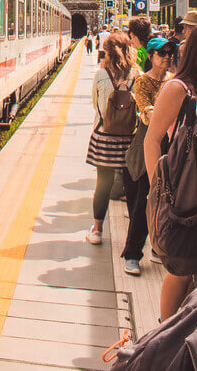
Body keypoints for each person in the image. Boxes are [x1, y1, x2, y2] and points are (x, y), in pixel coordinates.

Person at [144, 23, 197, 320]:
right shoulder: (178, 88)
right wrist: (158, 191)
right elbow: (152, 140)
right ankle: (161, 331)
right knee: (181, 268)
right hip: (181, 190)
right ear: (196, 52)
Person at [121, 36, 175, 275]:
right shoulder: (142, 81)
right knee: (143, 202)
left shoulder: (174, 81)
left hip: (170, 148)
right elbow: (148, 112)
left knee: (164, 203)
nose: (166, 57)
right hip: (145, 150)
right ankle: (132, 254)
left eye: (169, 53)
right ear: (151, 56)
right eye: (161, 53)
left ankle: (156, 246)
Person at [86, 31, 138, 245]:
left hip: (104, 138)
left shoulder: (100, 75)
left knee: (103, 184)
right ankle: (133, 232)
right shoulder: (138, 75)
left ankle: (97, 231)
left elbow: (95, 104)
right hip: (129, 141)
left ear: (107, 52)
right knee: (132, 187)